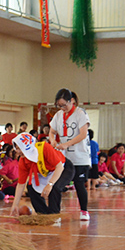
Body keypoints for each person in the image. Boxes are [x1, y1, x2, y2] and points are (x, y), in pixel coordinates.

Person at [49, 89, 91, 221]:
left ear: (71, 101)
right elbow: (52, 131)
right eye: (59, 106)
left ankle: (84, 211)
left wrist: (67, 144)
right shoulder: (58, 115)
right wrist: (53, 140)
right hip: (64, 158)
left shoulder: (80, 113)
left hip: (80, 157)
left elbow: (83, 134)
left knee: (79, 184)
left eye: (64, 105)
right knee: (57, 184)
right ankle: (55, 213)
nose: (62, 108)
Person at [10, 132, 75, 216]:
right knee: (30, 187)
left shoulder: (44, 147)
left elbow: (59, 167)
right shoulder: (23, 161)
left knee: (55, 187)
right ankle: (42, 214)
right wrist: (15, 205)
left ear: (26, 146)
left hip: (63, 168)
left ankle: (54, 215)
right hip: (47, 173)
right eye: (16, 149)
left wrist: (50, 184)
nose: (18, 152)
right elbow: (21, 184)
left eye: (20, 148)